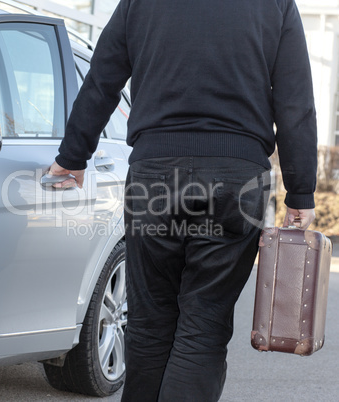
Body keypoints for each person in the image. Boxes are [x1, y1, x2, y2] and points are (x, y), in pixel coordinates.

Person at [49, 0, 317, 400]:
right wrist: (300, 190)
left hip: (155, 175)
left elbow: (102, 78)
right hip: (236, 180)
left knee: (149, 325)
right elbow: (295, 101)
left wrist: (72, 157)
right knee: (203, 326)